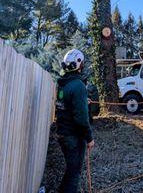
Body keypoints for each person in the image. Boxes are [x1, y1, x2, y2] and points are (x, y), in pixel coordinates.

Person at [56, 49, 95, 193]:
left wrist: (83, 101)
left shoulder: (63, 84)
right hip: (73, 136)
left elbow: (68, 104)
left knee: (70, 170)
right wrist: (89, 138)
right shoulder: (78, 85)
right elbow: (81, 119)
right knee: (74, 174)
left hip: (63, 133)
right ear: (79, 64)